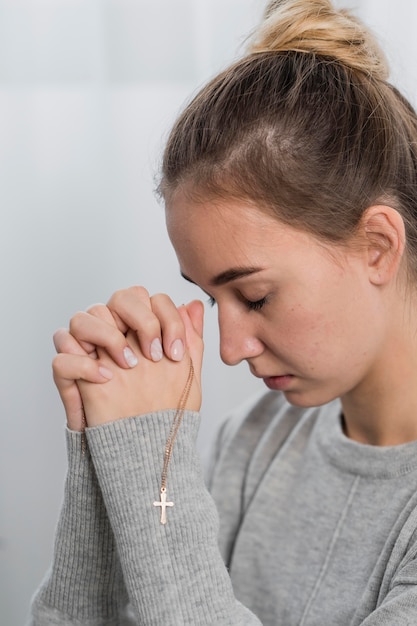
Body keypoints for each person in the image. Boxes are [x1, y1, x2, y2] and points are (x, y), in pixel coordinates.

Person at [28, 0, 417, 624]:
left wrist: (157, 461)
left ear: (377, 247)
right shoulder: (255, 440)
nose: (230, 348)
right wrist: (108, 454)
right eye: (212, 298)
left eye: (256, 297)